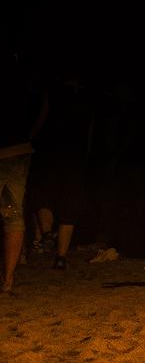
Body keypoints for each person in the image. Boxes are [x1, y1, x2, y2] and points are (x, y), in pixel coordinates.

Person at [30, 59, 95, 270]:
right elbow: (90, 131)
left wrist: (30, 139)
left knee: (43, 196)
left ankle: (47, 233)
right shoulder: (87, 98)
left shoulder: (53, 94)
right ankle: (61, 257)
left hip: (51, 153)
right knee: (69, 207)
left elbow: (41, 119)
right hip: (75, 157)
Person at [1, 52, 47, 294]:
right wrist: (30, 136)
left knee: (12, 214)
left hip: (6, 151)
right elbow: (44, 107)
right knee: (13, 213)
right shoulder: (28, 85)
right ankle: (8, 279)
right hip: (20, 150)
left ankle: (8, 276)